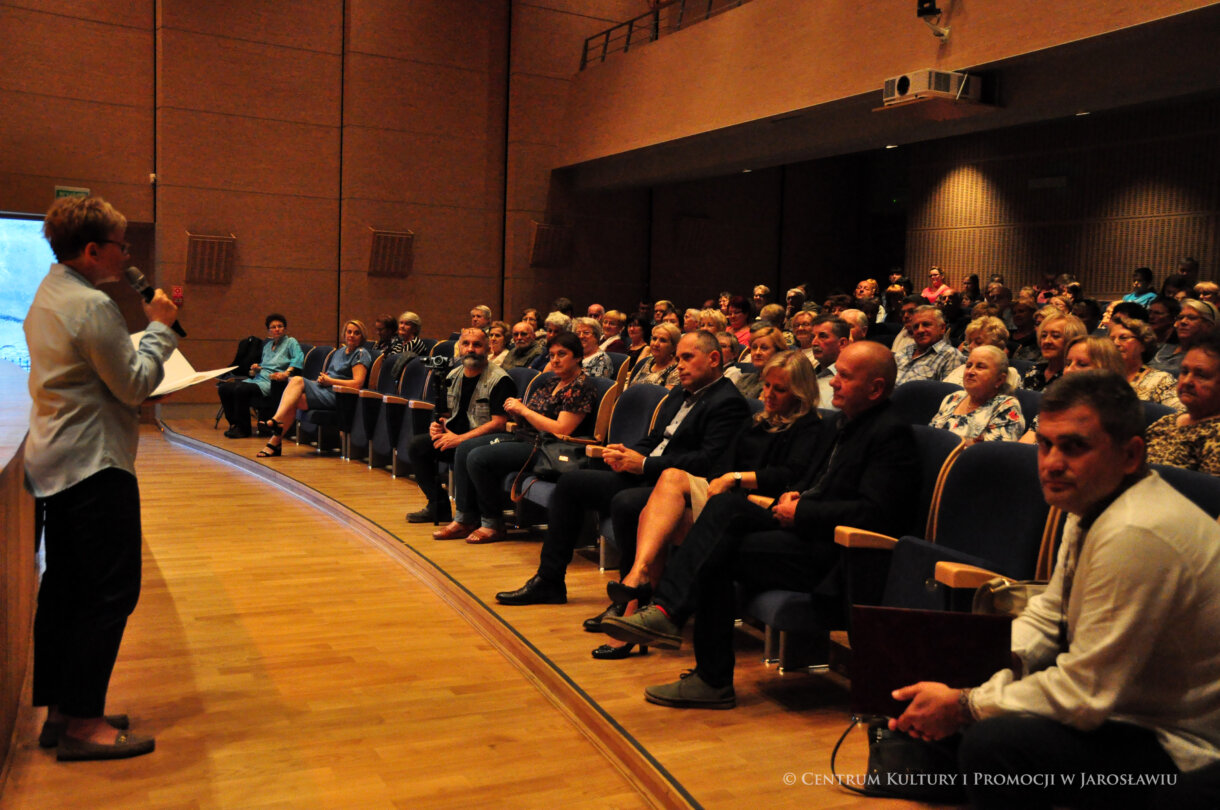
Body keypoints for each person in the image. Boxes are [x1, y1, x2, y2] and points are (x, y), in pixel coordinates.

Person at [889, 371, 1220, 810]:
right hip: (1121, 710)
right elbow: (1049, 615)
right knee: (945, 703)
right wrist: (979, 667)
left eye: (1074, 446)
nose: (1052, 463)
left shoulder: (1136, 531)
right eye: (1045, 444)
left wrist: (966, 704)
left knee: (994, 747)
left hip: (1176, 745)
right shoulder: (1092, 503)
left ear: (1130, 454)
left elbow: (1084, 695)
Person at [599, 342, 919, 708]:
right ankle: (674, 625)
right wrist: (797, 496)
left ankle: (691, 648)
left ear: (875, 388)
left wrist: (803, 511)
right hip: (804, 529)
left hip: (836, 554)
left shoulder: (890, 433)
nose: (833, 382)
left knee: (716, 552)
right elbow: (817, 482)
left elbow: (875, 515)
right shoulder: (845, 422)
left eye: (845, 376)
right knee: (726, 510)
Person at [24, 195, 179, 760]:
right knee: (109, 592)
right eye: (120, 245)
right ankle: (84, 725)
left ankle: (63, 710)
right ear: (92, 250)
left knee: (65, 590)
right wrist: (159, 329)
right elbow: (134, 385)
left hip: (59, 462)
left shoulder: (49, 293)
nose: (126, 253)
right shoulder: (92, 307)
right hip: (95, 464)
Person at [593, 351, 827, 659]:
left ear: (799, 393)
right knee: (660, 510)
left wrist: (735, 478)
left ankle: (637, 594)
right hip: (727, 497)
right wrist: (725, 479)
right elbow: (724, 463)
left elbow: (788, 475)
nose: (768, 394)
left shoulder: (811, 427)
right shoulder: (758, 420)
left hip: (757, 507)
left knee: (662, 503)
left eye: (779, 389)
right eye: (767, 385)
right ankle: (639, 597)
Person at [494, 331, 750, 607]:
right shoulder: (680, 392)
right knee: (571, 484)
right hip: (649, 474)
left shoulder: (728, 402)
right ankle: (549, 581)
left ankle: (630, 599)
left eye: (687, 358)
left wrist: (644, 464)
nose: (679, 366)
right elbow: (655, 439)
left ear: (714, 359)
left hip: (682, 489)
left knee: (626, 502)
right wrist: (627, 453)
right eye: (678, 359)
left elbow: (707, 461)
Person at [435, 332, 597, 544]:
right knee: (465, 447)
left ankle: (492, 523)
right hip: (524, 437)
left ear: (577, 357)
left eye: (562, 354)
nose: (555, 360)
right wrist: (518, 413)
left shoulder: (581, 386)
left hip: (548, 448)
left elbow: (562, 429)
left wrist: (525, 411)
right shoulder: (550, 382)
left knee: (478, 457)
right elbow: (530, 417)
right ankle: (464, 518)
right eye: (552, 355)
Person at [406, 328, 515, 524]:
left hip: (484, 442)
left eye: (477, 345)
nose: (470, 349)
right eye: (466, 344)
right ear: (459, 348)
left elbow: (499, 423)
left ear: (488, 349)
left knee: (465, 449)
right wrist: (437, 425)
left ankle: (469, 515)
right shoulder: (453, 375)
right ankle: (438, 506)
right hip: (455, 436)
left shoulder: (500, 380)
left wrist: (460, 439)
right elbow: (446, 413)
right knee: (418, 446)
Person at [256, 319, 372, 457]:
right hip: (325, 388)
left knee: (297, 380)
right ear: (344, 334)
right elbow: (331, 374)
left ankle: (275, 420)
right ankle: (274, 443)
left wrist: (330, 381)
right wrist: (323, 379)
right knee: (294, 398)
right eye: (349, 332)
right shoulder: (340, 351)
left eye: (356, 333)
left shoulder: (361, 354)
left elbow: (357, 384)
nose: (351, 335)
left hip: (339, 395)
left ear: (362, 336)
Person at [217, 313, 304, 438]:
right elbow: (265, 365)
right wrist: (257, 368)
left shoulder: (291, 342)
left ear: (285, 328)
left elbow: (298, 358)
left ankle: (244, 429)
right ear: (269, 330)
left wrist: (287, 373)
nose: (277, 329)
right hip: (259, 378)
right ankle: (234, 423)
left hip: (272, 381)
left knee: (240, 389)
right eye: (273, 327)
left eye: (280, 326)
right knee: (224, 388)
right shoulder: (268, 346)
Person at [1146, 331, 1220, 476]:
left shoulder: (1215, 435)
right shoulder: (1168, 421)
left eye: (1201, 375)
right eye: (1184, 371)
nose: (1186, 381)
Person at [929, 345, 1024, 442]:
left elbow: (994, 450)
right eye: (968, 365)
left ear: (999, 379)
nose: (970, 372)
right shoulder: (954, 397)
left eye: (980, 367)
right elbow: (930, 436)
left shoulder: (1007, 407)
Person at [1107, 314, 1183, 411]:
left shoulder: (1160, 380)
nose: (1115, 343)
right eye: (1111, 339)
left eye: (1123, 338)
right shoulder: (1101, 376)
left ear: (1143, 344)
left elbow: (1179, 413)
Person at [944, 316, 1021, 390]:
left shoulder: (1010, 374)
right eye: (970, 341)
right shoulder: (962, 368)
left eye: (978, 342)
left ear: (996, 346)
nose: (970, 346)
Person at [895, 306, 963, 385]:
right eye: (916, 327)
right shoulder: (904, 351)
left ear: (942, 328)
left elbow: (949, 391)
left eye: (926, 325)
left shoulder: (951, 356)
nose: (920, 330)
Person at [1020, 313, 1087, 392]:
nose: (1046, 341)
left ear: (1072, 340)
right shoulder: (1034, 370)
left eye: (1055, 336)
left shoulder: (1075, 378)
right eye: (1044, 335)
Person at [1150, 299, 1216, 376]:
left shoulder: (1209, 358)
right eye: (1180, 317)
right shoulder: (1161, 347)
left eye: (1191, 318)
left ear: (1208, 326)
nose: (1183, 322)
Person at [722, 326, 787, 399]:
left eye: (764, 348)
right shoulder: (744, 378)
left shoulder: (781, 385)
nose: (757, 352)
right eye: (754, 347)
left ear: (778, 352)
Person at [627, 322, 681, 389]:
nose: (655, 344)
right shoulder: (648, 361)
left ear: (674, 347)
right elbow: (631, 389)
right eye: (654, 339)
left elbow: (666, 395)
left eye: (663, 340)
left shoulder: (676, 370)